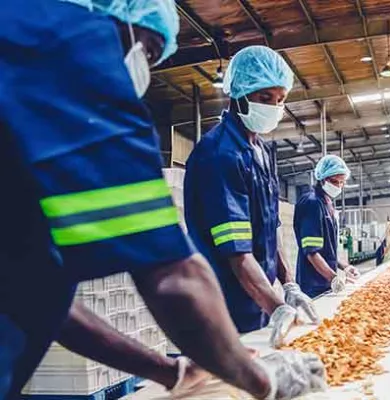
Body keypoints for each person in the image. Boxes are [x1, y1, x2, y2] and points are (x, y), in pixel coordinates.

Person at [0, 1, 324, 398]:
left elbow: (39, 294)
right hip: (228, 311)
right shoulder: (70, 52)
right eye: (149, 52)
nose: (144, 72)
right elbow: (171, 276)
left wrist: (172, 372)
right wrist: (264, 381)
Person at [184, 45, 320, 346]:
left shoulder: (261, 151)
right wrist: (277, 308)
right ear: (238, 94)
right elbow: (236, 252)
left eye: (281, 100)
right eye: (265, 98)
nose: (274, 107)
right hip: (222, 308)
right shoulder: (218, 155)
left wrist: (288, 285)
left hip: (257, 298)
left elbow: (270, 229)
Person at [294, 156, 361, 298]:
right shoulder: (312, 203)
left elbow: (327, 251)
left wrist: (345, 267)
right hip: (313, 285)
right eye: (334, 181)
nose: (338, 186)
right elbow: (312, 252)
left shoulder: (327, 203)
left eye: (342, 183)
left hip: (325, 282)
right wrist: (334, 278)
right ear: (322, 179)